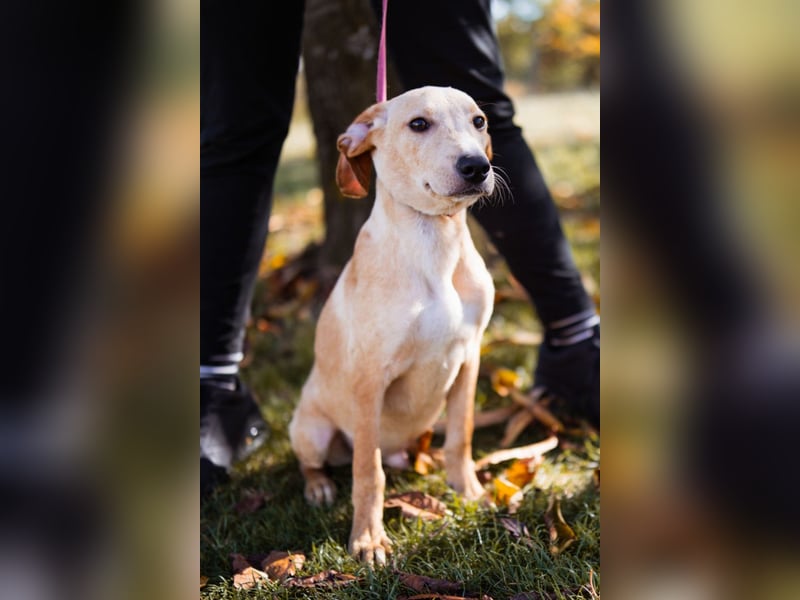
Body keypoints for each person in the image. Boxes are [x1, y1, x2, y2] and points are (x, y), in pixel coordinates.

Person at [200, 0, 599, 495]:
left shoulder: (473, 278)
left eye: (476, 126)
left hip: (417, 394)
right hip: (341, 418)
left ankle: (575, 343)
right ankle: (214, 386)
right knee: (237, 124)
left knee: (463, 59)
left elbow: (468, 358)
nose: (473, 156)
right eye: (421, 125)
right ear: (365, 139)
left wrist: (460, 461)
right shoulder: (376, 237)